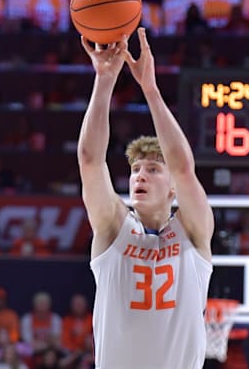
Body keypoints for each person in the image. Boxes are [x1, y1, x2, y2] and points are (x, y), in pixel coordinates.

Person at [77, 28, 214, 368]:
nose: (140, 175)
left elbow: (183, 168)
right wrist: (105, 80)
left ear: (172, 189)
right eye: (136, 169)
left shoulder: (193, 231)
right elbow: (90, 161)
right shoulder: (113, 228)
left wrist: (150, 89)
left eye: (153, 169)